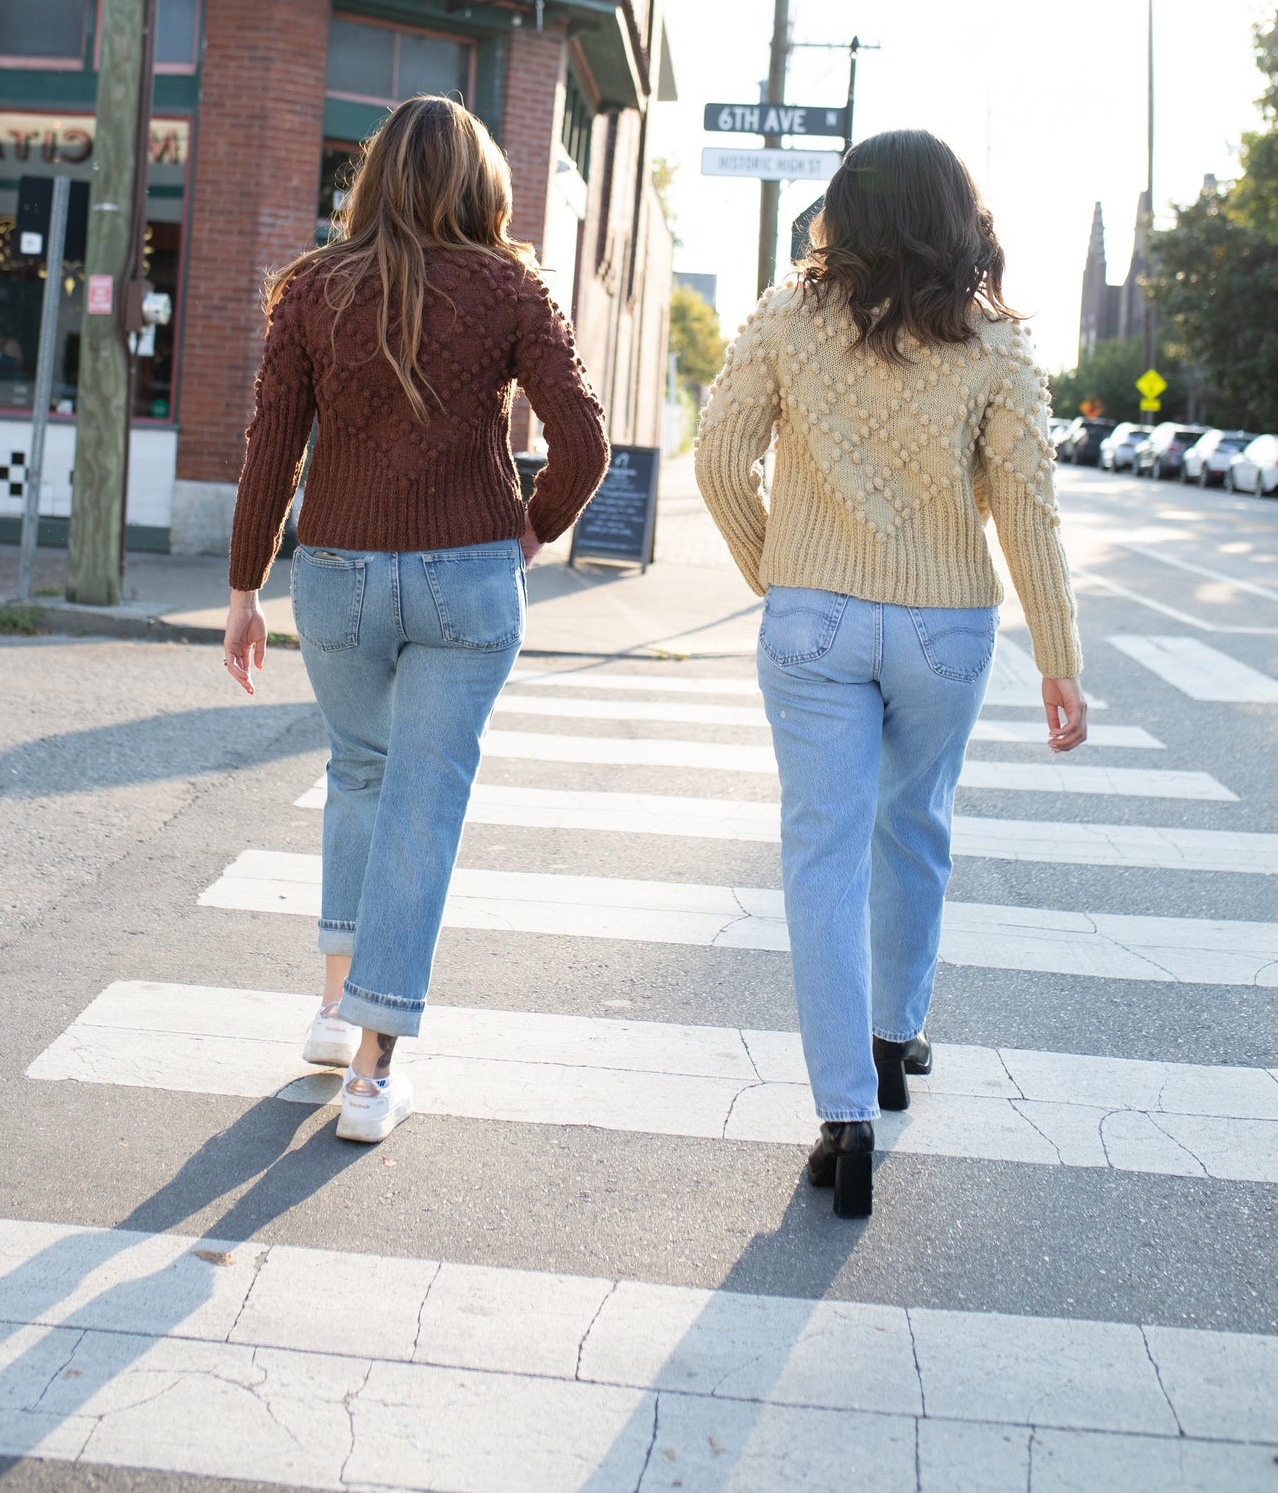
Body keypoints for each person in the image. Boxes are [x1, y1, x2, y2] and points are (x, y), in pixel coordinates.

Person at [695, 129, 1084, 1219]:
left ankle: (841, 1115)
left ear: (841, 207)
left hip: (812, 619)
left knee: (821, 855)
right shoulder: (995, 340)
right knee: (913, 827)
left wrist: (780, 572)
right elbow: (1025, 509)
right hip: (945, 629)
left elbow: (720, 460)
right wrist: (1057, 657)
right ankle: (887, 1038)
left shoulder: (786, 313)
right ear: (958, 218)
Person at [222, 95, 609, 1144]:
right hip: (466, 575)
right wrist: (534, 525)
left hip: (336, 573)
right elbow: (581, 441)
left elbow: (270, 445)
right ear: (481, 183)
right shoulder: (511, 285)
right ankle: (371, 1070)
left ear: (372, 177)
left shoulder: (308, 288)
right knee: (422, 804)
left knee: (358, 772)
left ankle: (332, 1000)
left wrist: (244, 587)